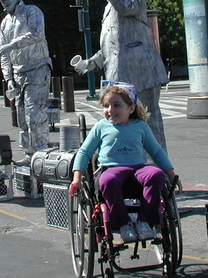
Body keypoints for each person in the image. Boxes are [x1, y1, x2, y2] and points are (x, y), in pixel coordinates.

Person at [73, 0, 169, 150]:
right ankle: (133, 164)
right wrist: (90, 63)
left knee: (149, 124)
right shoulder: (110, 4)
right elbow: (112, 46)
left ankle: (158, 166)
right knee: (126, 127)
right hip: (121, 78)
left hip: (142, 75)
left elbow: (126, 7)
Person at [69, 82, 182, 242]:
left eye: (116, 105)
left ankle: (145, 221)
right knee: (107, 180)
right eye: (106, 106)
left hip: (138, 168)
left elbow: (156, 152)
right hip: (111, 169)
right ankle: (123, 224)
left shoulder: (141, 126)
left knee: (156, 175)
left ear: (131, 108)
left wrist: (171, 175)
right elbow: (84, 152)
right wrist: (77, 177)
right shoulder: (101, 127)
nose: (110, 110)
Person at [0, 0, 51, 165]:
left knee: (35, 115)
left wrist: (12, 45)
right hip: (18, 73)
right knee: (22, 118)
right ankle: (29, 155)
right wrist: (8, 78)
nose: (5, 1)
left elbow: (37, 34)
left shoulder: (31, 11)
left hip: (37, 68)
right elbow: (3, 55)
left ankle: (40, 155)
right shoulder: (5, 23)